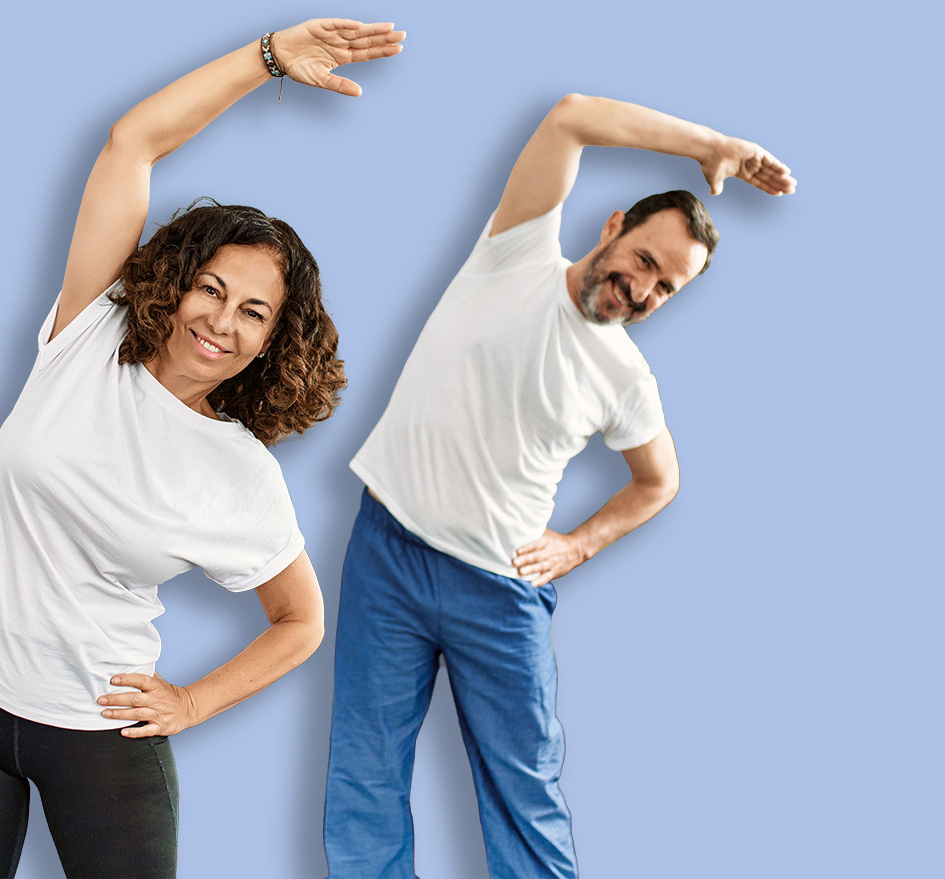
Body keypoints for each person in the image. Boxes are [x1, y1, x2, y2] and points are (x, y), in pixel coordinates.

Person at [0, 18, 404, 879]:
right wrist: (266, 59)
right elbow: (132, 143)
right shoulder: (89, 327)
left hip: (99, 730)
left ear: (275, 341)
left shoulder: (239, 473)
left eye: (254, 311)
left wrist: (196, 701)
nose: (222, 320)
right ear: (176, 285)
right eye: (213, 288)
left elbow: (302, 621)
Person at [323, 93, 796, 878]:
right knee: (365, 778)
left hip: (499, 590)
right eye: (646, 261)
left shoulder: (625, 377)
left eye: (667, 289)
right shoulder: (515, 248)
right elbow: (571, 114)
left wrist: (578, 545)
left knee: (524, 794)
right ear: (612, 225)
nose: (643, 292)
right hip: (387, 553)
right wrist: (710, 144)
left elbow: (658, 481)